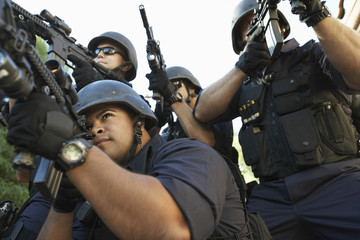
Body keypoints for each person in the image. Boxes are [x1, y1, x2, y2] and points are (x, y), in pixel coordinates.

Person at [193, 0, 360, 239]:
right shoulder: (242, 83)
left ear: (281, 25)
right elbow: (202, 111)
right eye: (248, 26)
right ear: (241, 42)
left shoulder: (314, 53)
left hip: (336, 179)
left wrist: (317, 14)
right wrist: (243, 67)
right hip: (273, 195)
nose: (256, 26)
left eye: (260, 19)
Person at [5, 80, 248, 239]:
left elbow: (169, 230)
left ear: (139, 122)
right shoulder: (94, 185)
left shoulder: (191, 154)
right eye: (87, 126)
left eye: (106, 116)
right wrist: (64, 203)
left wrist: (73, 152)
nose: (95, 130)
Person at [151, 66, 235, 162]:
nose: (167, 92)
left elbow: (206, 144)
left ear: (191, 88)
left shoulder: (212, 108)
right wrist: (158, 122)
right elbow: (150, 155)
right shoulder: (172, 129)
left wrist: (172, 98)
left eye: (174, 86)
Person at [68, 31, 138, 91]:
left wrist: (95, 86)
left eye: (108, 50)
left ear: (126, 66)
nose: (99, 55)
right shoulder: (75, 87)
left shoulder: (136, 100)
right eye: (96, 51)